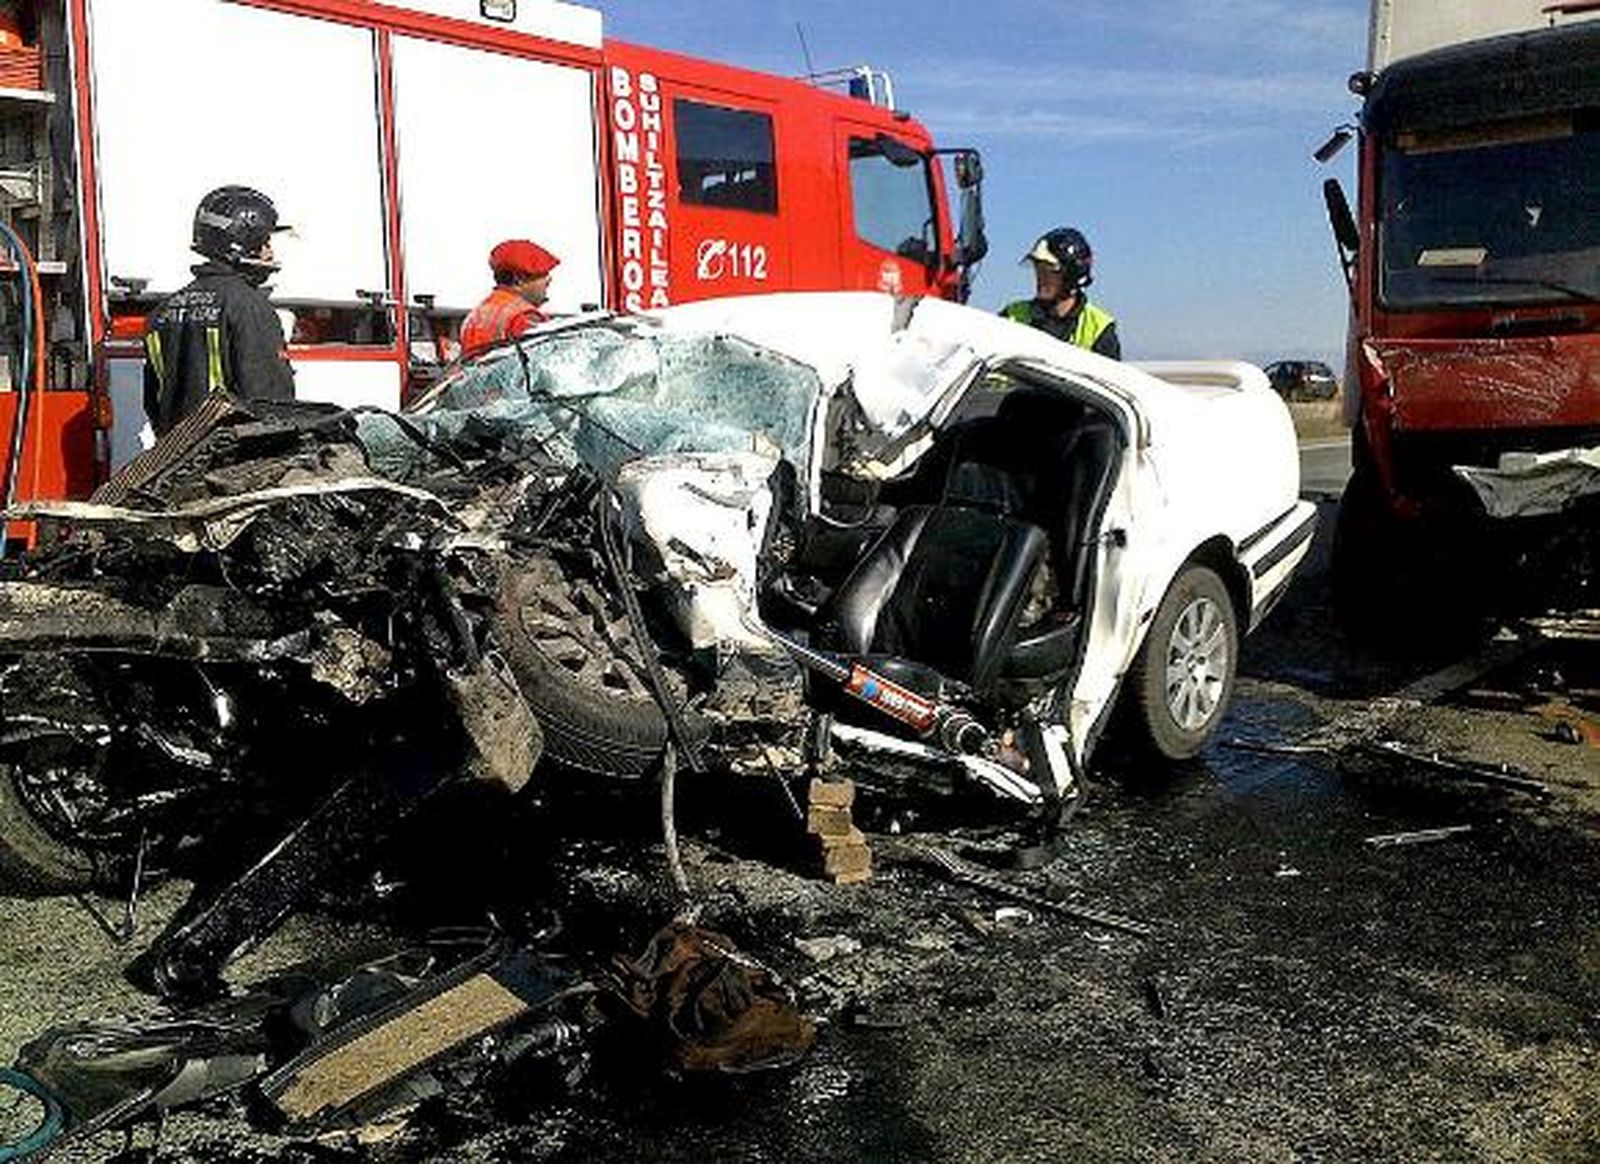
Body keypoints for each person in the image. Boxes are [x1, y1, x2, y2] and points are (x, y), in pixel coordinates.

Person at [142, 186, 296, 437]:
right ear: (240, 243)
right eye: (264, 242)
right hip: (231, 464)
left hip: (176, 464)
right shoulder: (249, 306)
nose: (270, 253)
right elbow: (271, 403)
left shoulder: (161, 312)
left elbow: (154, 403)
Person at [1001, 227, 1121, 359]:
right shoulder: (1012, 316)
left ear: (1072, 274)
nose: (1040, 278)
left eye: (1049, 270)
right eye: (1038, 269)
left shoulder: (1100, 330)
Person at [459, 239, 560, 356]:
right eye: (542, 274)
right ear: (518, 280)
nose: (549, 280)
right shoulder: (523, 317)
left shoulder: (475, 316)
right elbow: (543, 366)